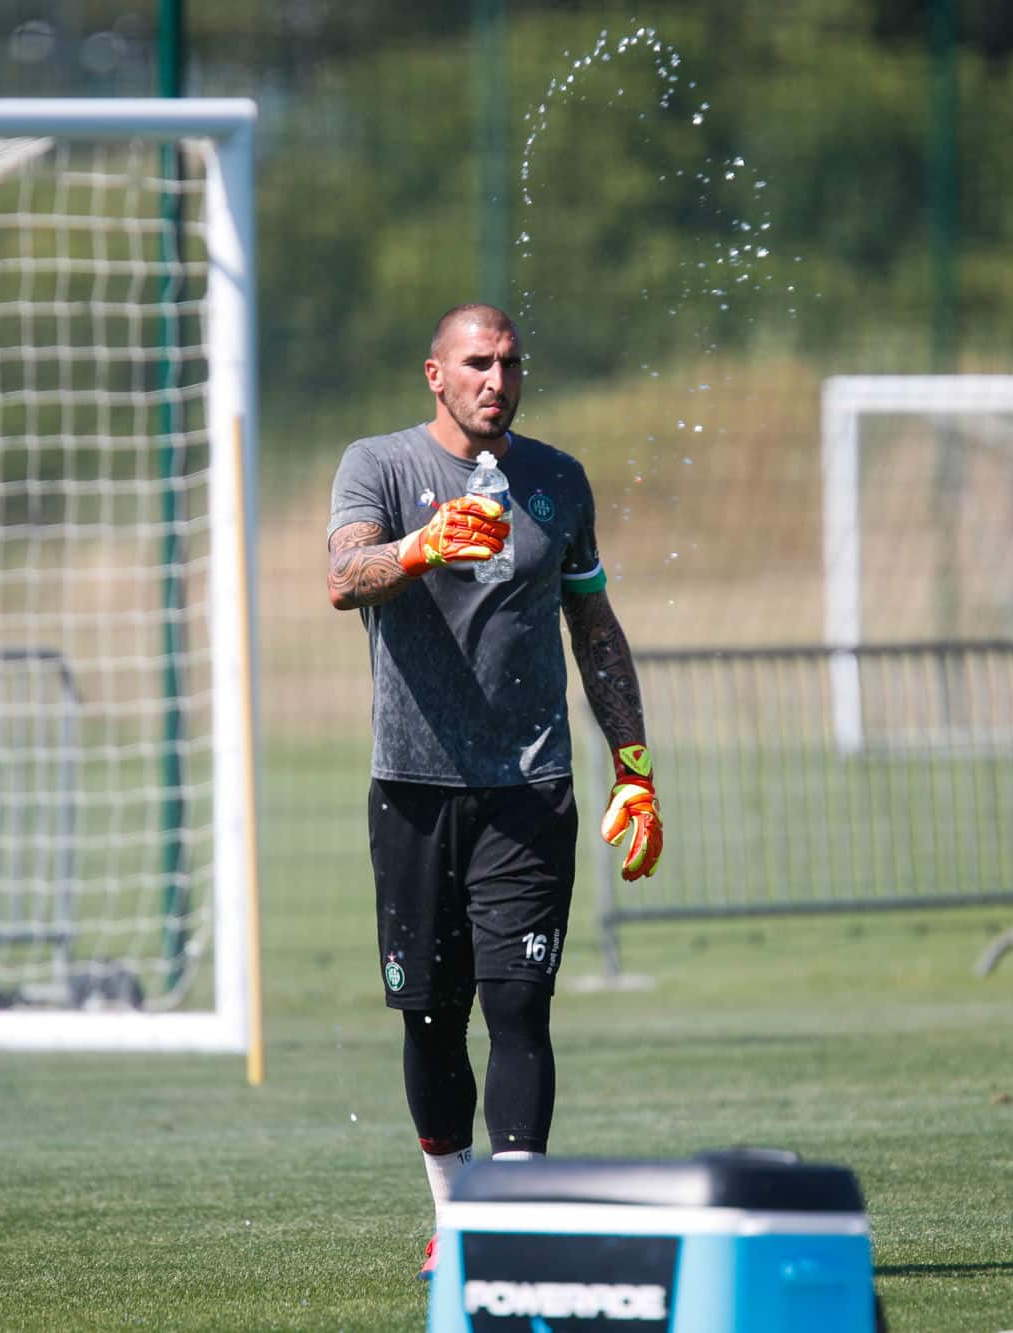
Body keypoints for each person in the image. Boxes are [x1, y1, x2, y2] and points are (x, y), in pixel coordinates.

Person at [326, 303, 664, 1276]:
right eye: (476, 362)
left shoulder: (557, 481)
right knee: (431, 1017)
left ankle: (507, 1224)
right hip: (413, 789)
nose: (495, 379)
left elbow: (593, 629)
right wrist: (422, 547)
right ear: (434, 374)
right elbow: (344, 575)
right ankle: (451, 1211)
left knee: (519, 1006)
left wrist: (633, 766)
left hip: (528, 788)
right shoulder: (380, 466)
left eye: (509, 363)